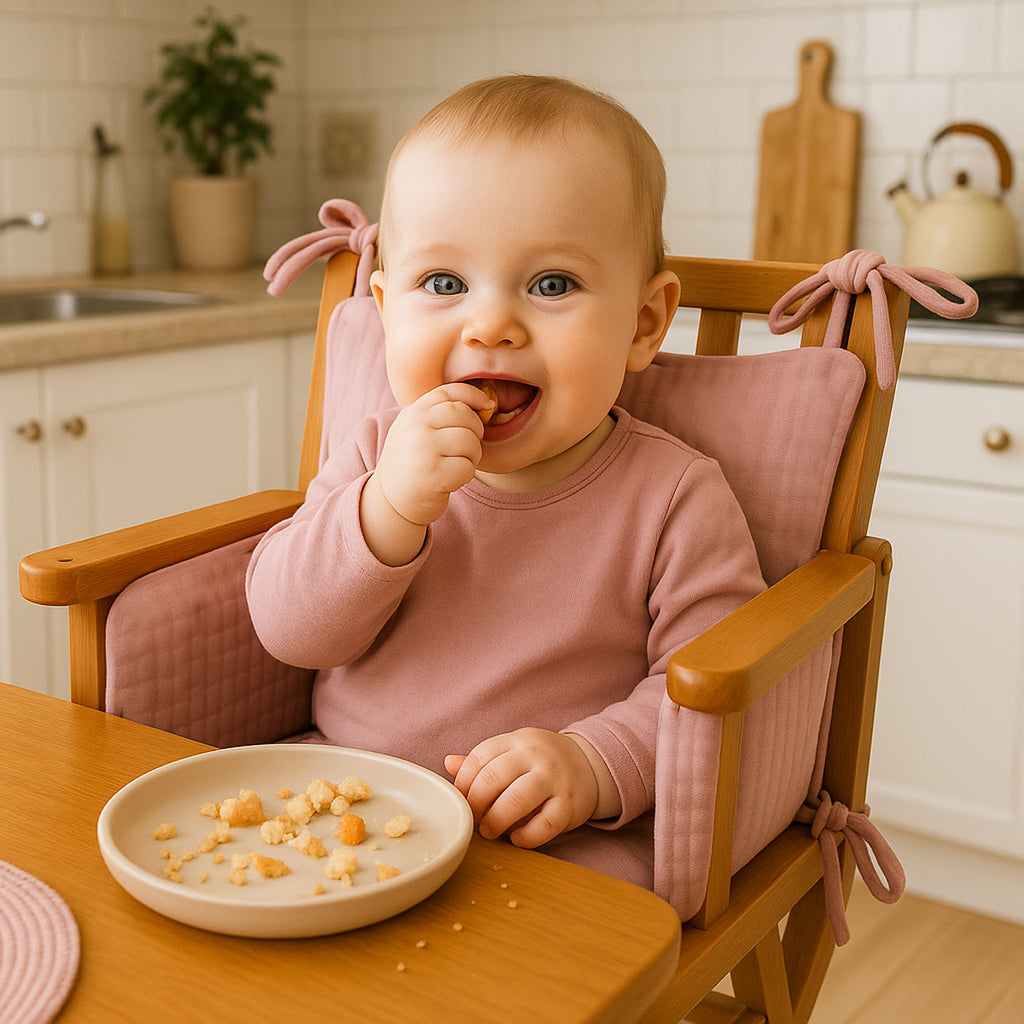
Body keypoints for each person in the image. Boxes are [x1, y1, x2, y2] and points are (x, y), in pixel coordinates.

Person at [246, 74, 764, 890]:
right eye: (444, 285)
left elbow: (713, 693)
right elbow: (289, 630)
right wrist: (386, 511)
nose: (490, 325)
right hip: (349, 797)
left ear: (644, 324)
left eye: (551, 284)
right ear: (385, 311)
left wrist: (593, 765)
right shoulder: (377, 452)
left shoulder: (675, 496)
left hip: (550, 840)